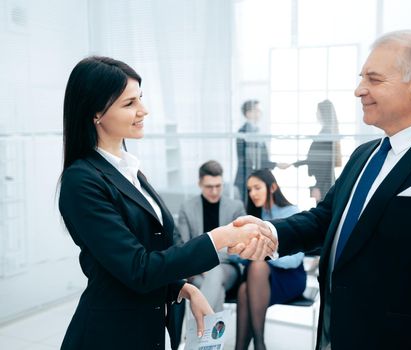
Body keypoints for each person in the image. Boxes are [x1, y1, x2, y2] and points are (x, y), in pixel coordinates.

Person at [232, 30, 411, 350]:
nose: (360, 90)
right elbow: (325, 219)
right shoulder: (365, 155)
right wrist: (271, 233)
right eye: (362, 78)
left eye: (374, 80)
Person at [58, 56, 273, 350]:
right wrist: (220, 237)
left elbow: (150, 249)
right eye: (129, 103)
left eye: (141, 99)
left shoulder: (130, 170)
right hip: (109, 333)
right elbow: (138, 268)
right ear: (96, 112)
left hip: (147, 326)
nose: (143, 110)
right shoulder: (81, 181)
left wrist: (184, 289)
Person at [235, 169, 306, 350]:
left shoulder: (292, 211)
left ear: (272, 187)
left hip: (290, 277)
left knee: (258, 265)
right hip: (260, 280)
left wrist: (263, 255)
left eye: (257, 188)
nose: (252, 194)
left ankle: (259, 344)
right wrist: (239, 252)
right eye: (250, 190)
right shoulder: (254, 216)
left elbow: (294, 261)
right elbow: (247, 260)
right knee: (244, 290)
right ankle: (246, 346)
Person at [176, 160, 246, 311]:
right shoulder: (187, 209)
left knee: (214, 273)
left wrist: (206, 261)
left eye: (218, 186)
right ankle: (209, 333)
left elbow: (241, 247)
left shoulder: (236, 208)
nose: (214, 191)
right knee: (211, 287)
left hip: (228, 269)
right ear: (200, 184)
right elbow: (184, 248)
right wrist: (200, 266)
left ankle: (197, 331)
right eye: (209, 187)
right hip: (197, 272)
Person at [234, 100, 289, 201]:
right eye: (258, 110)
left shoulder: (254, 131)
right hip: (247, 179)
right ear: (248, 113)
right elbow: (254, 161)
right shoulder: (245, 133)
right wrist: (276, 165)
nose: (260, 113)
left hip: (254, 178)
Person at [293, 99, 342, 202]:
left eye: (318, 111)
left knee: (322, 214)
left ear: (323, 114)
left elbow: (324, 164)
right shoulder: (326, 133)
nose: (316, 114)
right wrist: (295, 164)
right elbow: (315, 159)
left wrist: (318, 187)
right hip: (324, 181)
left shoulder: (326, 135)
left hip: (323, 183)